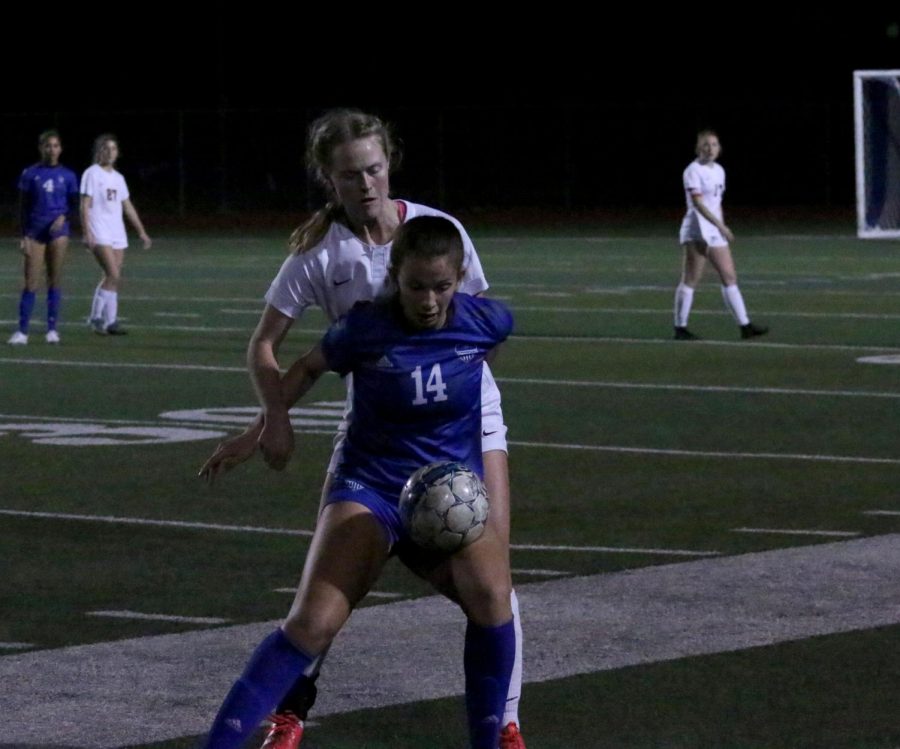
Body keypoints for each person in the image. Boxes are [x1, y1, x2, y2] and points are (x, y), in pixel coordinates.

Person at [200, 109, 526, 749]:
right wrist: (270, 422)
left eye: (375, 168)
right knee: (319, 611)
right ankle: (286, 715)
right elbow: (279, 353)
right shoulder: (322, 260)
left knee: (493, 591)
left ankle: (503, 726)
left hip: (462, 431)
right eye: (351, 174)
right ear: (329, 178)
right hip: (376, 443)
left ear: (390, 164)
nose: (367, 183)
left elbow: (476, 323)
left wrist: (446, 392)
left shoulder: (441, 236)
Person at [672, 129, 768, 340]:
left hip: (714, 228)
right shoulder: (692, 171)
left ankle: (745, 325)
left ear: (719, 148)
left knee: (729, 276)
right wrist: (720, 226)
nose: (710, 148)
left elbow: (716, 204)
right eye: (706, 144)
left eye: (714, 144)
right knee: (691, 278)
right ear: (698, 148)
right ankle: (680, 327)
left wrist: (721, 225)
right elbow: (698, 204)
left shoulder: (720, 170)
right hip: (697, 228)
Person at [8, 130, 79, 345]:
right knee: (31, 282)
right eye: (48, 145)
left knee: (54, 280)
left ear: (61, 149)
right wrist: (24, 235)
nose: (52, 150)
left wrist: (63, 217)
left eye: (56, 146)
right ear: (41, 148)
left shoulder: (68, 175)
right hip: (35, 233)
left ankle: (52, 329)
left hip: (58, 233)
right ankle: (22, 331)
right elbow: (22, 207)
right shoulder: (30, 173)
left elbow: (75, 204)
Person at [80, 133, 152, 335]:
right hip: (99, 231)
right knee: (113, 274)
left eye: (113, 149)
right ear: (98, 152)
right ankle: (95, 318)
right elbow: (84, 206)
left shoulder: (119, 178)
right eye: (105, 148)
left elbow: (127, 206)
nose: (109, 152)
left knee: (112, 278)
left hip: (117, 232)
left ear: (117, 153)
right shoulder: (91, 174)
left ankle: (110, 322)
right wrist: (87, 233)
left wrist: (141, 232)